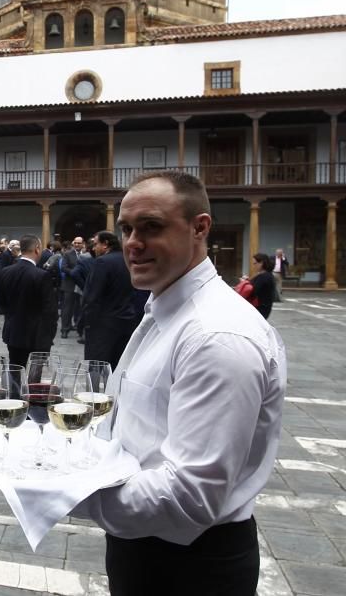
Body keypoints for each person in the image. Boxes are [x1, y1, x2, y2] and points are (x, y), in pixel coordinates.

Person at [73, 170, 286, 596]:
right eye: (127, 228)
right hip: (145, 546)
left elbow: (190, 495)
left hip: (191, 565)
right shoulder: (168, 309)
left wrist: (65, 492)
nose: (133, 242)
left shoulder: (217, 336)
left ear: (199, 227)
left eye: (152, 227)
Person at [82, 231, 143, 371]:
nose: (93, 248)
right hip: (127, 322)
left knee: (96, 368)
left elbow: (92, 296)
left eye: (96, 244)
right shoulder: (128, 260)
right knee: (119, 366)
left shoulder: (102, 262)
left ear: (105, 244)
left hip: (102, 325)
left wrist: (88, 322)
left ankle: (94, 393)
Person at [0, 234, 57, 366]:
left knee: (15, 371)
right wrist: (49, 336)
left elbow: (1, 302)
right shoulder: (42, 275)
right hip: (37, 335)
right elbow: (50, 310)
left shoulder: (5, 272)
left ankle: (14, 387)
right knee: (34, 379)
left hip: (13, 332)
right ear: (37, 249)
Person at [241, 252, 277, 320]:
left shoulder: (264, 276)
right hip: (262, 306)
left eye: (255, 263)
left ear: (261, 263)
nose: (254, 266)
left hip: (260, 307)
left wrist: (244, 283)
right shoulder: (265, 275)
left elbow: (254, 290)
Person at [59, 238, 83, 338]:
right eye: (75, 243)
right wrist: (74, 272)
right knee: (67, 309)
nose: (77, 245)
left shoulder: (86, 254)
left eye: (79, 243)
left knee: (80, 307)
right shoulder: (68, 254)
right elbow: (63, 267)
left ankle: (79, 327)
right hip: (70, 284)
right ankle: (65, 329)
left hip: (82, 285)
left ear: (83, 244)